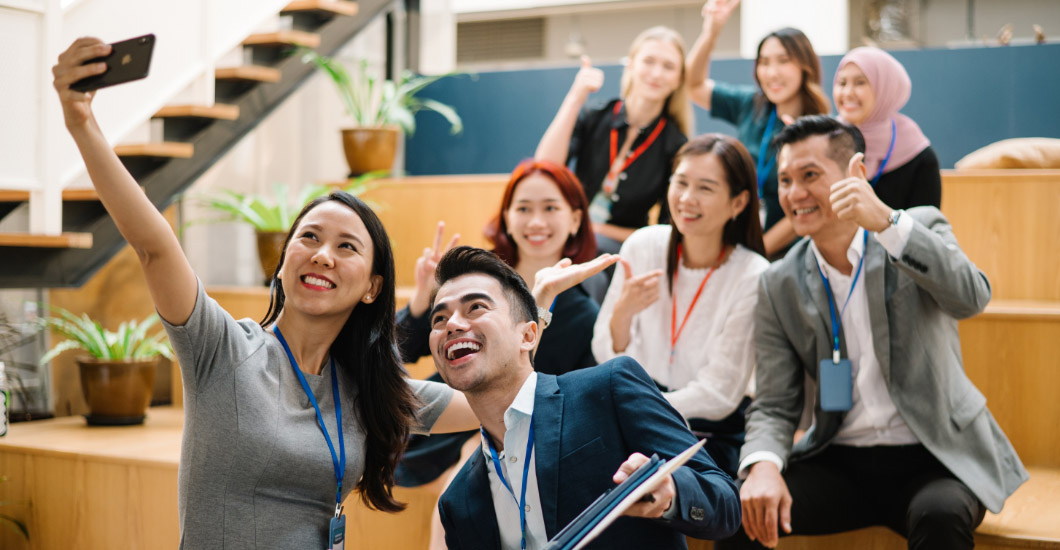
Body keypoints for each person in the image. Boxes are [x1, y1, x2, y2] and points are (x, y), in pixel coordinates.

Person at [52, 38, 478, 548]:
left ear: (372, 287)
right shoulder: (223, 349)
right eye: (310, 238)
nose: (323, 255)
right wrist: (82, 122)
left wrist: (527, 319)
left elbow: (492, 402)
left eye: (347, 247)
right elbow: (154, 248)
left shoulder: (368, 387)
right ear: (281, 265)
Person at [719, 116, 1028, 550]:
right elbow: (773, 403)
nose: (795, 194)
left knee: (939, 518)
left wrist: (885, 221)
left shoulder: (917, 228)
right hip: (838, 461)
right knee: (738, 510)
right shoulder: (779, 282)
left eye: (810, 176)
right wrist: (763, 464)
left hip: (935, 455)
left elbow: (971, 298)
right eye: (785, 179)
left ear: (855, 173)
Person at [429, 246, 742, 549]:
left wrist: (672, 495)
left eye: (475, 307)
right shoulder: (457, 501)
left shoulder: (608, 388)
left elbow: (725, 505)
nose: (452, 324)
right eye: (439, 319)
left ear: (528, 335)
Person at [393, 161, 608, 549]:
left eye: (550, 208)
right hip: (450, 415)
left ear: (576, 220)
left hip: (521, 430)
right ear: (506, 217)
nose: (536, 221)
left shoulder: (583, 310)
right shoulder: (476, 277)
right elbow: (399, 353)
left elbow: (564, 395)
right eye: (523, 208)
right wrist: (420, 302)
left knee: (463, 479)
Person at [592, 134, 768, 478]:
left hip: (706, 433)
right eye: (681, 182)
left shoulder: (753, 273)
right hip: (633, 419)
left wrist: (639, 408)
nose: (687, 198)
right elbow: (604, 351)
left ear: (738, 202)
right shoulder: (643, 245)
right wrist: (622, 316)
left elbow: (719, 394)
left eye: (705, 188)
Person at [686, 0, 831, 257]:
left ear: (804, 66)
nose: (771, 72)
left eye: (783, 61)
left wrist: (756, 253)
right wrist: (712, 32)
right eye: (764, 62)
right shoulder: (751, 105)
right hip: (736, 241)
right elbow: (693, 85)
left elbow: (807, 206)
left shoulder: (819, 129)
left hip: (785, 253)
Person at [535, 26, 692, 256]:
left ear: (678, 79)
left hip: (622, 249)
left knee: (593, 251)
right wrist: (575, 97)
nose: (657, 73)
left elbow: (665, 231)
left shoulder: (675, 145)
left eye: (668, 67)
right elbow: (543, 167)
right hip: (566, 234)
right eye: (648, 61)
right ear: (631, 64)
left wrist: (596, 229)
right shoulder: (595, 115)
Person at [833, 46, 941, 210]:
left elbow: (923, 231)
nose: (847, 92)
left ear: (885, 88)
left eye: (860, 82)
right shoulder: (823, 142)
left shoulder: (919, 157)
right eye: (841, 83)